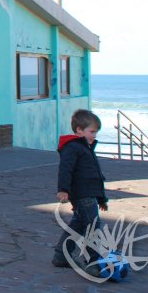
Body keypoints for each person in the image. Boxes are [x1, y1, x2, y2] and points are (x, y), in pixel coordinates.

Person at [52, 108, 108, 268]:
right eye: (92, 131)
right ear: (79, 130)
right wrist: (63, 189)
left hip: (89, 194)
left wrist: (102, 198)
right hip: (81, 194)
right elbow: (65, 169)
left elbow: (96, 175)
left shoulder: (86, 148)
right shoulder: (72, 147)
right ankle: (94, 261)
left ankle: (61, 256)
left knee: (79, 224)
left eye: (96, 132)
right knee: (92, 225)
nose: (94, 135)